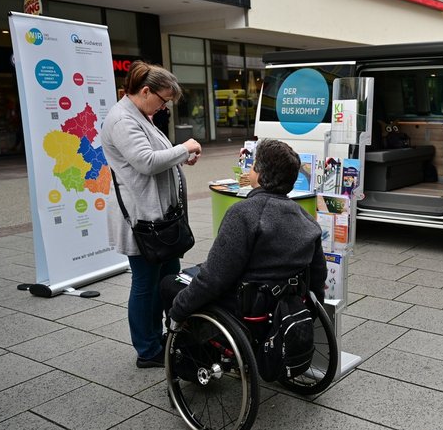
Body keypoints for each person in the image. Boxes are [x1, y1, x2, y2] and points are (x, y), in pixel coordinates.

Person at [163, 139, 327, 331]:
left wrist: (179, 310)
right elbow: (318, 277)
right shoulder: (307, 219)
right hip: (284, 306)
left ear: (258, 173)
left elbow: (214, 278)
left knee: (169, 284)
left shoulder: (243, 214)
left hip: (247, 307)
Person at [100, 61, 202, 369]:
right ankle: (147, 348)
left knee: (169, 279)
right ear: (146, 91)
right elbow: (145, 161)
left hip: (159, 218)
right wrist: (184, 148)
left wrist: (179, 158)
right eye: (162, 100)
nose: (162, 106)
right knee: (145, 284)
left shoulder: (139, 115)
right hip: (142, 221)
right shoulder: (121, 120)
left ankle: (166, 337)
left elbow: (157, 156)